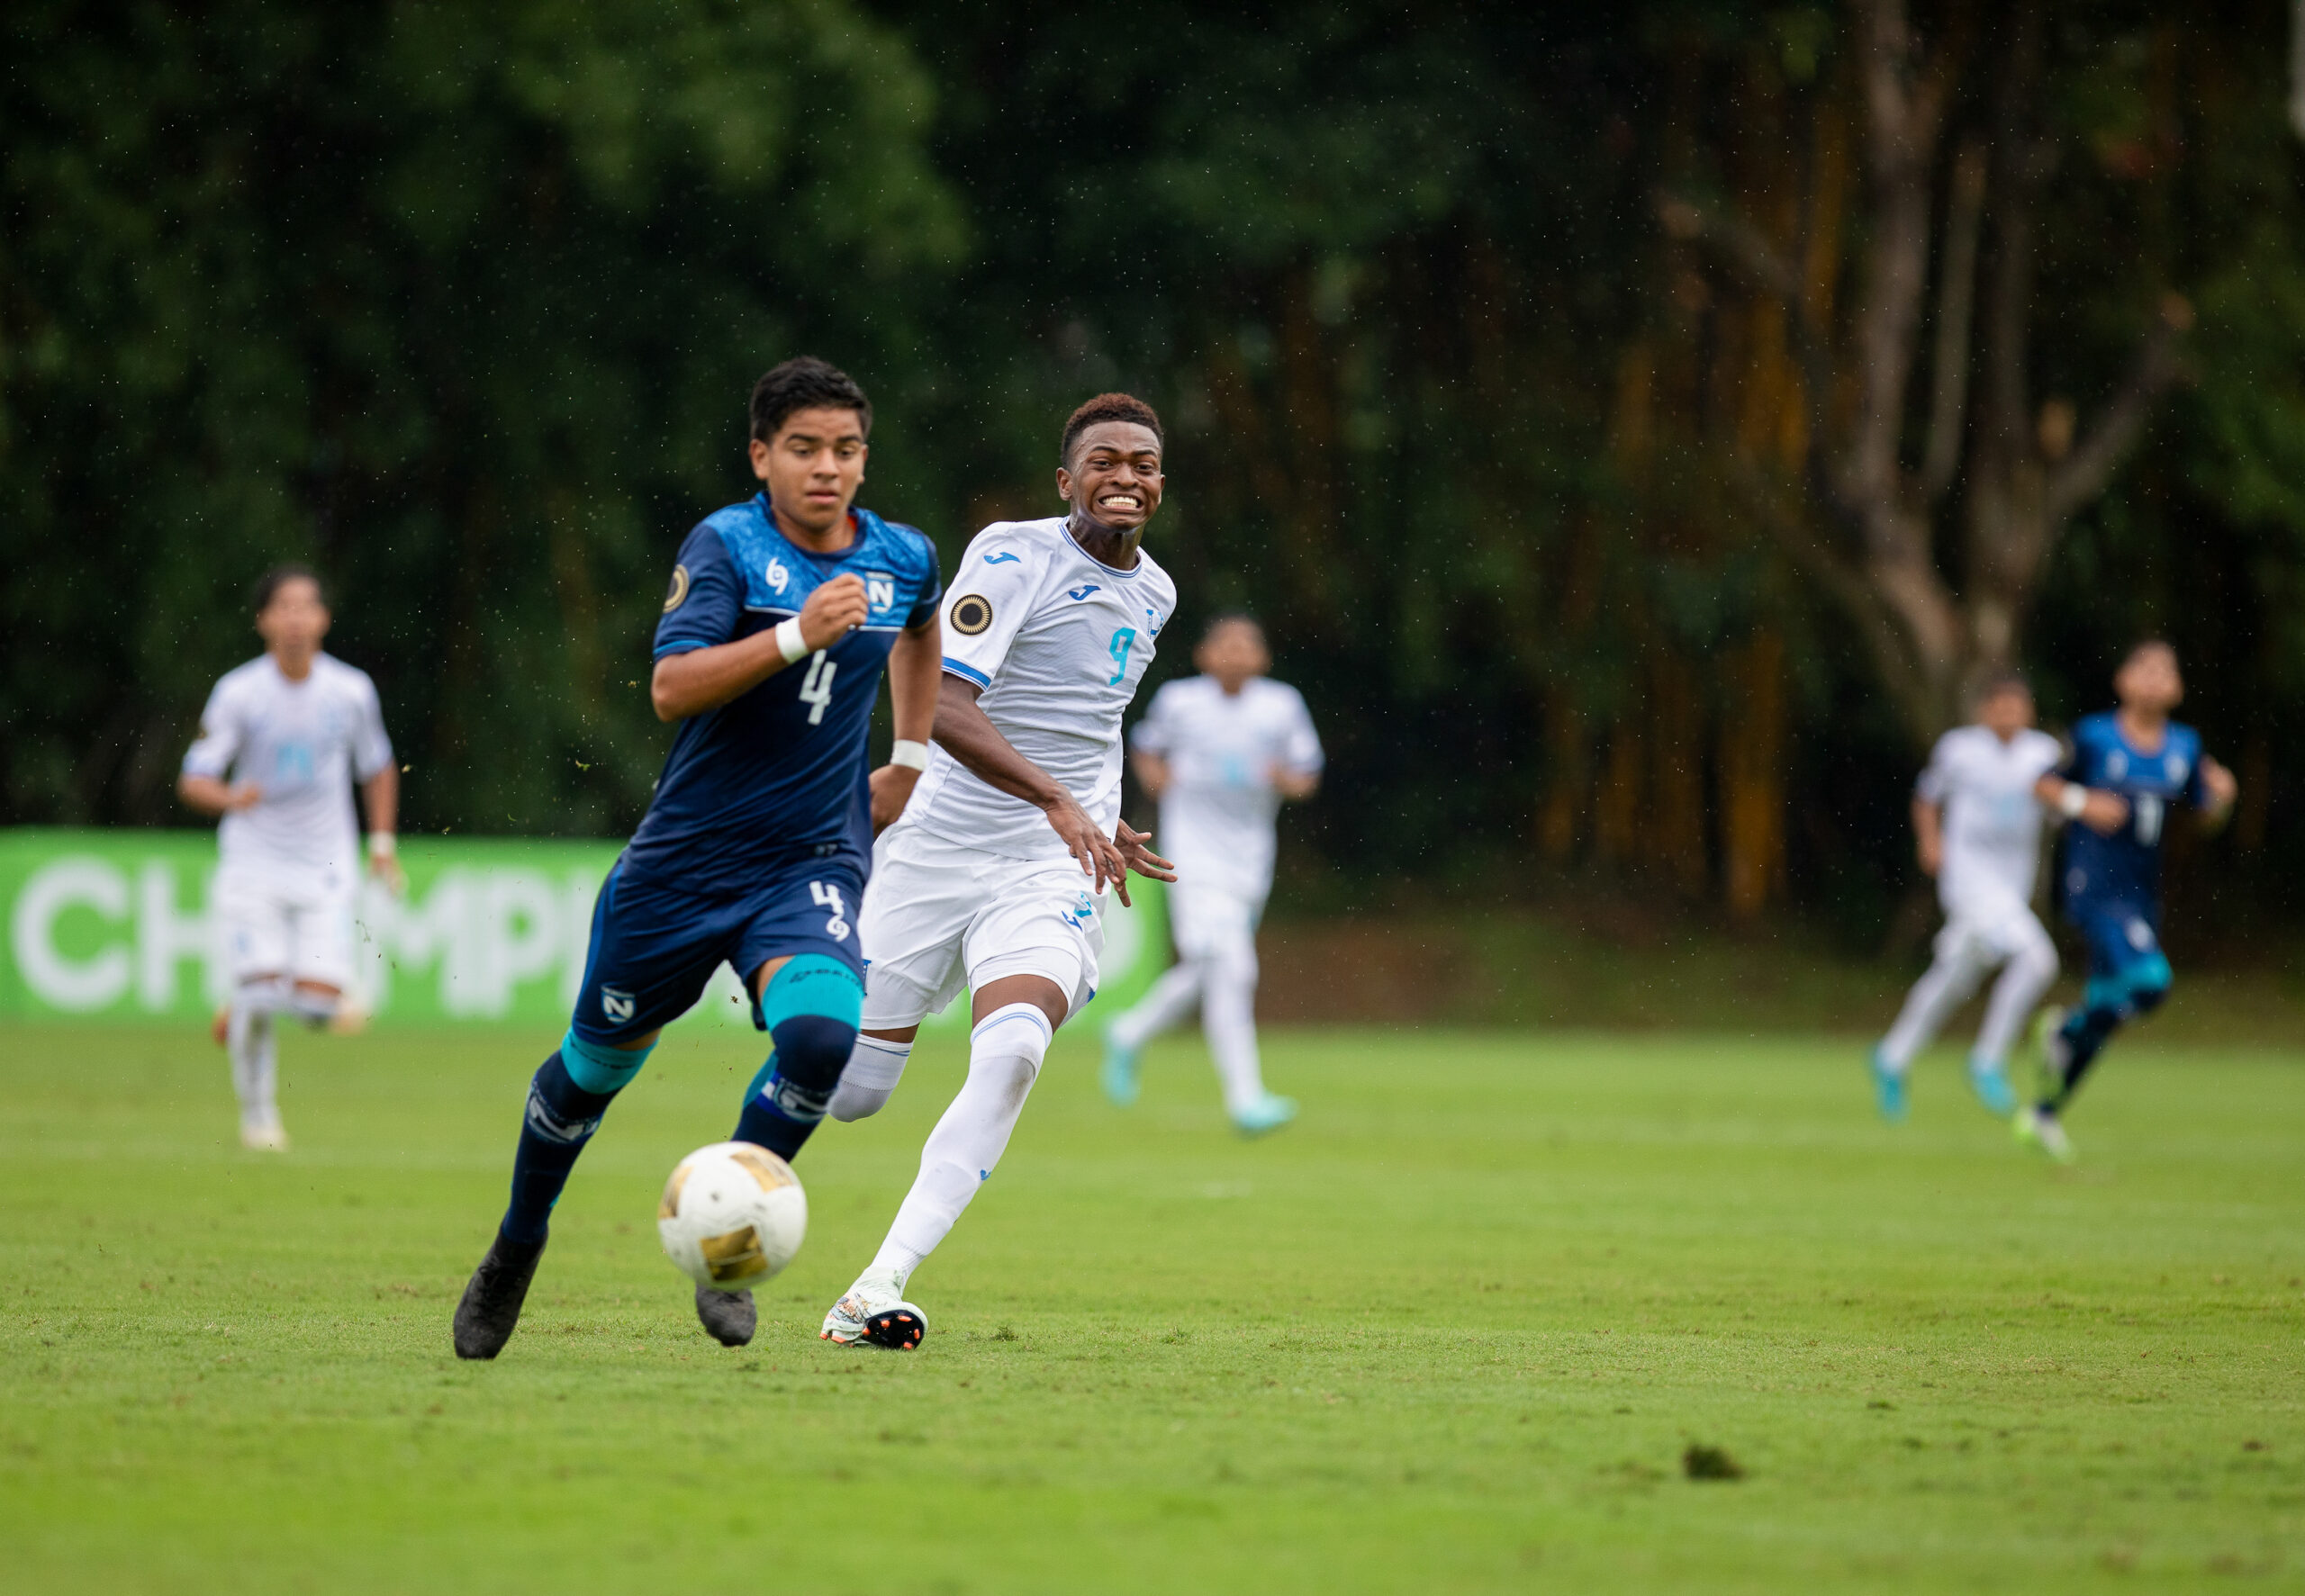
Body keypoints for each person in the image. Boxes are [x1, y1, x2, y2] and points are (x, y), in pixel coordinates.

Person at [451, 357, 943, 1358]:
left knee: (820, 1037)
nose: (827, 469)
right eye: (803, 449)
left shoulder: (901, 555)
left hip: (809, 858)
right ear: (761, 455)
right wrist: (796, 637)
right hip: (680, 867)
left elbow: (921, 626)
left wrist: (910, 755)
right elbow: (672, 689)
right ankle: (516, 1244)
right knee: (588, 1076)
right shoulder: (728, 546)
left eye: (845, 451)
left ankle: (734, 1224)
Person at [812, 392, 1179, 1350]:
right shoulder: (1013, 556)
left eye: (1142, 463)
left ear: (1160, 483)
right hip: (932, 850)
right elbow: (946, 706)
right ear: (1068, 482)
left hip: (1042, 868)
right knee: (851, 1094)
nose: (1125, 477)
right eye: (1104, 462)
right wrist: (1058, 798)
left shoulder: (1157, 593)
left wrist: (1096, 816)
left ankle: (875, 1286)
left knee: (1015, 1047)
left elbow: (1090, 728)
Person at [178, 566, 402, 1151]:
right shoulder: (239, 692)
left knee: (313, 1006)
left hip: (325, 865)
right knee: (258, 996)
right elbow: (194, 776)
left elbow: (376, 766)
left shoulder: (350, 691)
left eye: (307, 606)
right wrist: (230, 796)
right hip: (253, 861)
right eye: (283, 607)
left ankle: (262, 992)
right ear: (263, 621)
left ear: (324, 618)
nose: (296, 618)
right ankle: (258, 1117)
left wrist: (381, 843)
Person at [1098, 614, 1321, 1133]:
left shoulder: (1281, 705)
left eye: (1247, 645)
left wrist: (1282, 779)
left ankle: (1129, 1032)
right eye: (1225, 643)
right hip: (1191, 853)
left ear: (1262, 659)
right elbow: (1146, 747)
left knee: (1210, 965)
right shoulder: (1181, 701)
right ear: (1204, 654)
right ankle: (1246, 1100)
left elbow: (1306, 776)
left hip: (1251, 857)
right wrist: (1156, 779)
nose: (1235, 653)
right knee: (1234, 967)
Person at [2016, 640, 2237, 1162]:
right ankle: (2065, 1028)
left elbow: (2203, 816)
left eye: (2168, 670)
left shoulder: (2184, 745)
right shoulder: (2094, 736)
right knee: (2151, 980)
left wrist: (2224, 800)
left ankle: (2042, 1113)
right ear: (2123, 681)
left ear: (2178, 687)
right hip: (2093, 887)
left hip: (2141, 893)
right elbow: (2042, 784)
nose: (2158, 679)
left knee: (2114, 1009)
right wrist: (2082, 802)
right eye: (2147, 668)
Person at [1867, 676, 2062, 1122]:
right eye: (2001, 707)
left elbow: (2054, 805)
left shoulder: (2042, 754)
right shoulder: (1959, 749)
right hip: (1968, 878)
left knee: (1955, 975)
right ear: (1984, 711)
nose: (2009, 715)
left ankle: (1892, 1057)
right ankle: (1988, 1060)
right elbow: (1926, 797)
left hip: (2012, 884)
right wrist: (1930, 841)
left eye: (2017, 707)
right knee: (2037, 960)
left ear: (2028, 712)